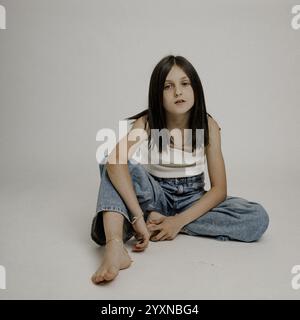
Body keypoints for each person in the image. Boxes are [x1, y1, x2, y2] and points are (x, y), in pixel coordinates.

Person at [90, 55, 269, 284]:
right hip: (155, 195)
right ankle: (116, 246)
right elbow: (115, 161)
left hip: (192, 200)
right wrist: (136, 217)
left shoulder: (209, 125)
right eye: (168, 86)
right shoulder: (146, 123)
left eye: (185, 84)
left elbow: (219, 190)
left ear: (196, 88)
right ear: (158, 94)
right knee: (111, 160)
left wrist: (178, 221)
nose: (178, 92)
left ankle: (159, 222)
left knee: (257, 217)